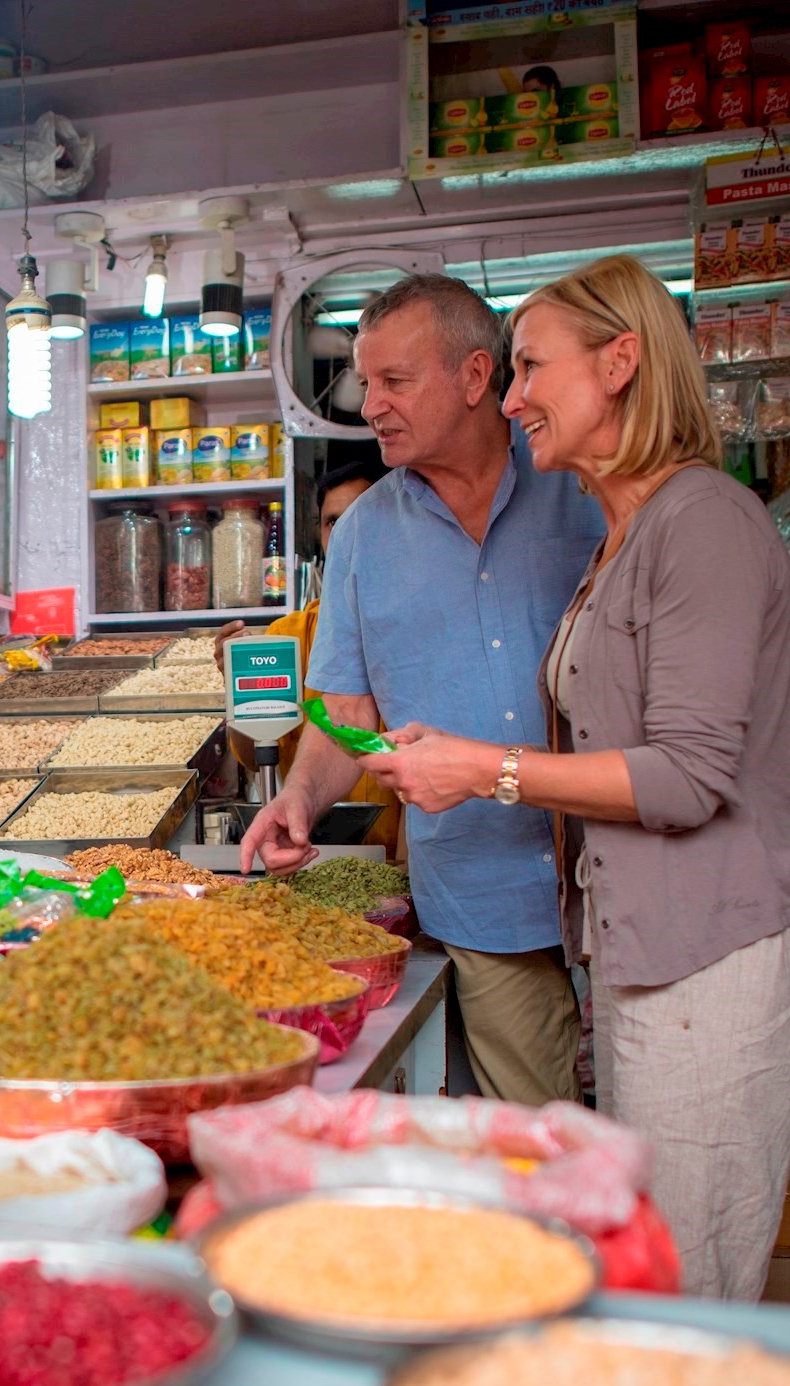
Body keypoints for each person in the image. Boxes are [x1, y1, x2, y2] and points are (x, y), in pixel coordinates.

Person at [360, 255, 790, 1301]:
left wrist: (481, 770)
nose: (512, 395)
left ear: (620, 363)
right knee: (651, 1267)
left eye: (531, 367)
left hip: (717, 956)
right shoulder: (625, 534)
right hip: (648, 954)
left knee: (688, 1292)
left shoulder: (700, 520)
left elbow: (691, 777)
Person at [242, 273, 605, 1105]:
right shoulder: (366, 535)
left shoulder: (582, 487)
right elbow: (345, 716)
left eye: (395, 382)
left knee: (660, 1149)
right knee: (534, 1144)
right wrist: (300, 798)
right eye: (367, 384)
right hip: (482, 898)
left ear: (477, 378)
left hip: (626, 882)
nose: (372, 407)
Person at [214, 460, 400, 854]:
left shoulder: (418, 632)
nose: (345, 532)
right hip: (308, 847)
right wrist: (239, 689)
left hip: (405, 859)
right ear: (319, 533)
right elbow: (255, 757)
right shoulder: (288, 637)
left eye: (358, 516)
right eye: (333, 522)